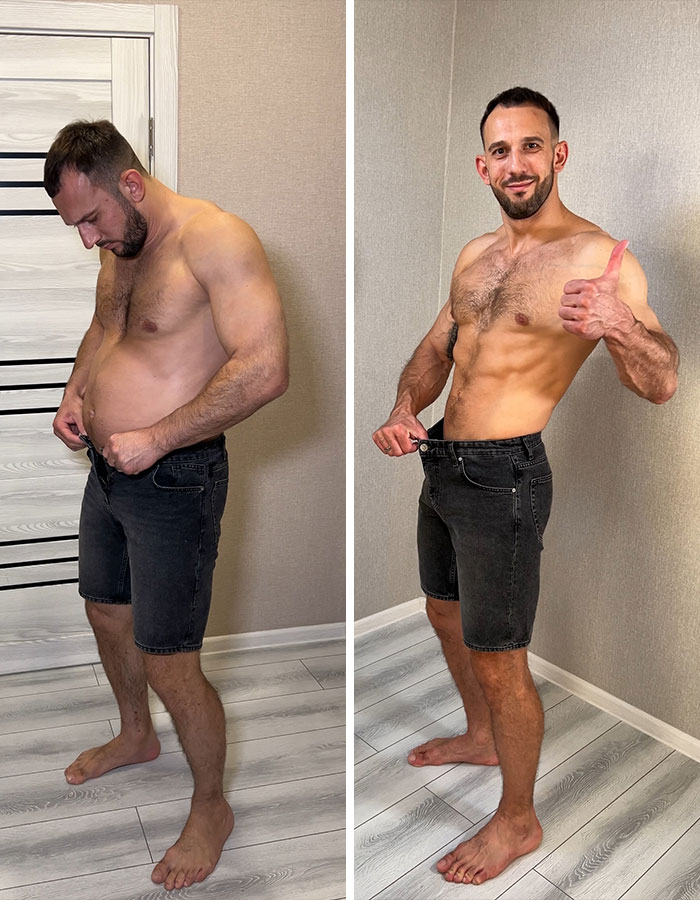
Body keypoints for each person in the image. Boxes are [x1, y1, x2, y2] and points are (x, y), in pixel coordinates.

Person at [372, 87, 678, 887]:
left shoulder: (599, 259)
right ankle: (480, 734)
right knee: (444, 615)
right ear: (483, 165)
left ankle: (518, 819)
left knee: (501, 658)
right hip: (441, 461)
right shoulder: (476, 256)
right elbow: (439, 345)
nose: (517, 163)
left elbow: (663, 381)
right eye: (501, 151)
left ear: (558, 155)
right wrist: (407, 406)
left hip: (506, 475)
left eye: (532, 146)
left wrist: (620, 324)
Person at [45, 119, 288, 891]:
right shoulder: (122, 249)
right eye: (73, 226)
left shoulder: (216, 240)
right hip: (108, 471)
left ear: (130, 184)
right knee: (105, 610)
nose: (86, 239)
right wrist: (75, 395)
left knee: (172, 661)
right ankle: (134, 735)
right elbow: (104, 330)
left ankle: (211, 806)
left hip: (175, 480)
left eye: (91, 219)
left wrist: (156, 436)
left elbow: (266, 369)